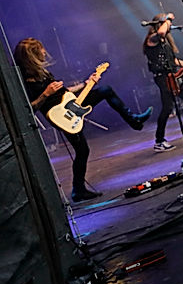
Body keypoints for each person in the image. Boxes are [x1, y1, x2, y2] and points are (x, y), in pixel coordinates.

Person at [14, 38, 152, 202]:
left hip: (70, 105)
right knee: (82, 150)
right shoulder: (23, 80)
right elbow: (28, 108)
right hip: (60, 117)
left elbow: (66, 91)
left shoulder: (44, 74)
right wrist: (45, 94)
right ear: (32, 56)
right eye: (41, 51)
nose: (45, 53)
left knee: (105, 91)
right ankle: (78, 190)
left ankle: (134, 120)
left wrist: (86, 83)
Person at [143, 12, 183, 151]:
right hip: (163, 78)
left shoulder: (166, 43)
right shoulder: (151, 39)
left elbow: (175, 61)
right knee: (167, 108)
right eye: (167, 23)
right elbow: (160, 33)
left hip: (174, 76)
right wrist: (168, 19)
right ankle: (159, 141)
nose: (170, 25)